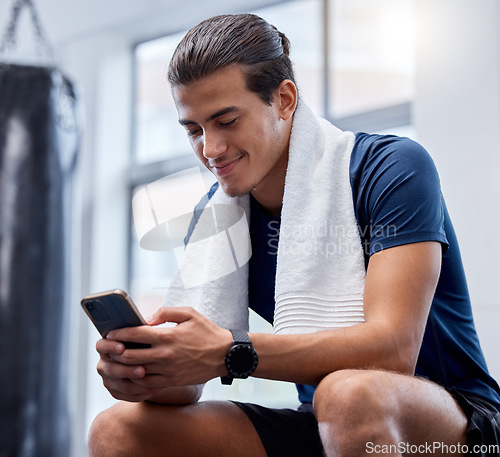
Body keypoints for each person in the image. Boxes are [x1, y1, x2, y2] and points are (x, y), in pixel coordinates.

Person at [88, 13, 500, 457]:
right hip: (327, 423)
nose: (210, 149)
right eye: (194, 130)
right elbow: (190, 384)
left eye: (226, 121)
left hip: (454, 424)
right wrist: (148, 370)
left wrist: (231, 352)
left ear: (284, 100)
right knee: (117, 430)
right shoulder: (218, 217)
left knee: (348, 395)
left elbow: (393, 350)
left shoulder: (392, 168)